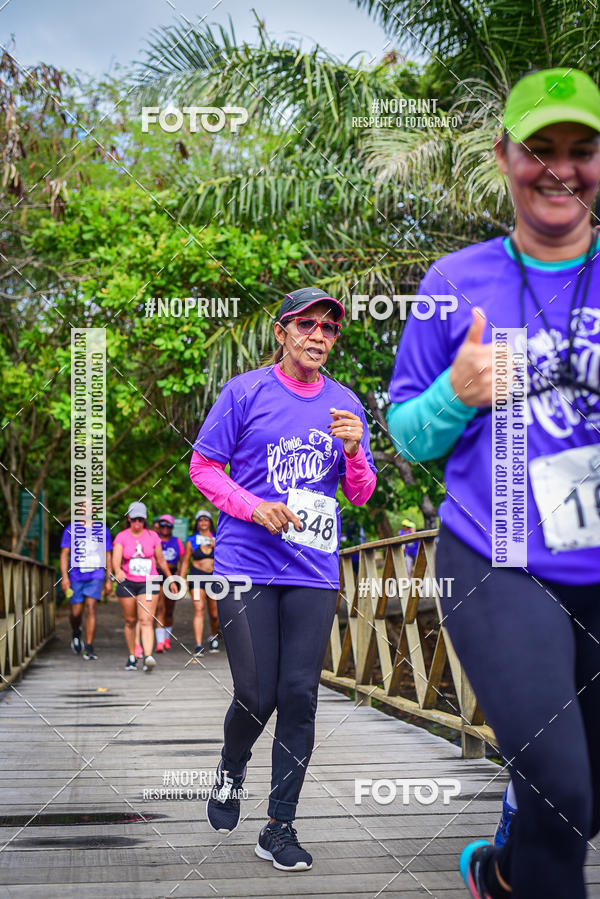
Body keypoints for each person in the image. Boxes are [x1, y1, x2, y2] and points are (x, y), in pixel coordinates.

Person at [386, 68, 600, 899]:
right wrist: (457, 391)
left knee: (584, 799)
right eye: (539, 148)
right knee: (564, 791)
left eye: (581, 150)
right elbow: (407, 432)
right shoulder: (457, 282)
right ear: (504, 155)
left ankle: (503, 871)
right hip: (498, 557)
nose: (560, 169)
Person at [189, 287, 377, 870]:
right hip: (245, 562)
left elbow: (360, 493)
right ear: (282, 332)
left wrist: (354, 451)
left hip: (313, 569)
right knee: (256, 694)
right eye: (308, 325)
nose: (320, 335)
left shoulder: (346, 404)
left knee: (299, 696)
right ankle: (231, 766)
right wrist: (252, 507)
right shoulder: (245, 392)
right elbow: (203, 466)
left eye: (330, 328)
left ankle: (279, 825)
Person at [112, 501, 172, 672]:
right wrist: (117, 570)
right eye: (133, 519)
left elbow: (160, 560)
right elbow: (116, 559)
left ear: (144, 520)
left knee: (146, 620)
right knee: (131, 621)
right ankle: (132, 656)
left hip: (149, 581)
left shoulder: (153, 536)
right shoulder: (122, 537)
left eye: (140, 519)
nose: (137, 523)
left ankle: (148, 656)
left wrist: (171, 579)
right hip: (128, 582)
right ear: (128, 519)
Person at [59, 506, 112, 660]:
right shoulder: (70, 529)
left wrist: (109, 579)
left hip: (95, 575)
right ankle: (76, 632)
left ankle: (89, 646)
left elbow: (108, 555)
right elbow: (64, 554)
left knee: (91, 608)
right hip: (76, 575)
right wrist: (64, 577)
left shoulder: (103, 530)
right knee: (76, 612)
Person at [179, 510, 219, 655]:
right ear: (197, 523)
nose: (203, 523)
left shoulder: (218, 538)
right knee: (199, 608)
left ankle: (214, 636)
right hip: (197, 576)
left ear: (210, 522)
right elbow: (185, 561)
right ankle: (198, 644)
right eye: (200, 520)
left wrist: (216, 545)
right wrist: (181, 579)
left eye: (206, 520)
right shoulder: (192, 540)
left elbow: (226, 557)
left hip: (214, 577)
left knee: (214, 614)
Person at [154, 514, 184, 652]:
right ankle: (159, 642)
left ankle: (166, 638)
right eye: (163, 525)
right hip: (157, 574)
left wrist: (181, 577)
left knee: (169, 609)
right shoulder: (155, 540)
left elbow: (183, 560)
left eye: (169, 525)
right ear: (158, 525)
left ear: (172, 527)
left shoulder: (177, 541)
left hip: (173, 575)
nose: (165, 528)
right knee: (160, 607)